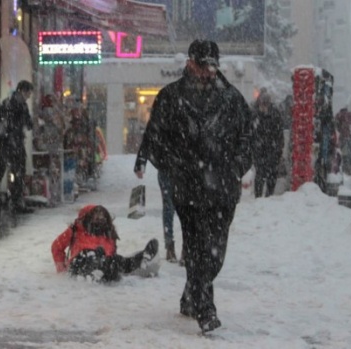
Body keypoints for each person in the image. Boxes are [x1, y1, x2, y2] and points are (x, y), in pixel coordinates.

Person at [133, 39, 253, 332]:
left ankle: (191, 295)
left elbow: (248, 140)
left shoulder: (232, 100)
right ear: (190, 63)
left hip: (223, 189)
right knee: (199, 247)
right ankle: (205, 308)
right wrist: (170, 166)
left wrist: (236, 167)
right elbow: (155, 137)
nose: (208, 72)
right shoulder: (171, 97)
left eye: (212, 66)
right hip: (189, 188)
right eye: (203, 66)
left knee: (216, 253)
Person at [51, 204, 159, 283]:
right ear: (87, 217)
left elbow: (112, 254)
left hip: (105, 265)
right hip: (80, 264)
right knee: (92, 253)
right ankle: (97, 267)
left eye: (102, 216)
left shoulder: (108, 233)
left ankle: (142, 258)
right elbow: (56, 247)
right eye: (96, 216)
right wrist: (62, 268)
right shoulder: (76, 229)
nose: (100, 219)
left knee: (116, 260)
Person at [0, 80, 34, 214]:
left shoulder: (8, 103)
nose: (29, 96)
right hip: (11, 143)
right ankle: (16, 202)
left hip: (1, 143)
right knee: (18, 172)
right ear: (22, 91)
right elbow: (28, 124)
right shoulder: (19, 105)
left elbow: (2, 123)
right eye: (28, 93)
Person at [134, 145, 179, 263]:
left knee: (180, 208)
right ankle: (172, 246)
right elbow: (149, 138)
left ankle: (176, 246)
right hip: (171, 167)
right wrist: (140, 163)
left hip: (179, 167)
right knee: (172, 207)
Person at [252, 91, 285, 198]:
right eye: (262, 103)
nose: (263, 106)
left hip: (272, 150)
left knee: (271, 176)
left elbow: (279, 135)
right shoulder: (256, 114)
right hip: (260, 150)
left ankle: (269, 196)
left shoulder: (275, 114)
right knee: (260, 175)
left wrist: (278, 150)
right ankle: (258, 197)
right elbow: (252, 133)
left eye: (265, 104)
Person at [334, 107, 351, 174]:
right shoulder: (350, 115)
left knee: (345, 154)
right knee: (350, 154)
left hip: (343, 138)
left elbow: (337, 127)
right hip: (350, 138)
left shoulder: (339, 116)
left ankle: (346, 168)